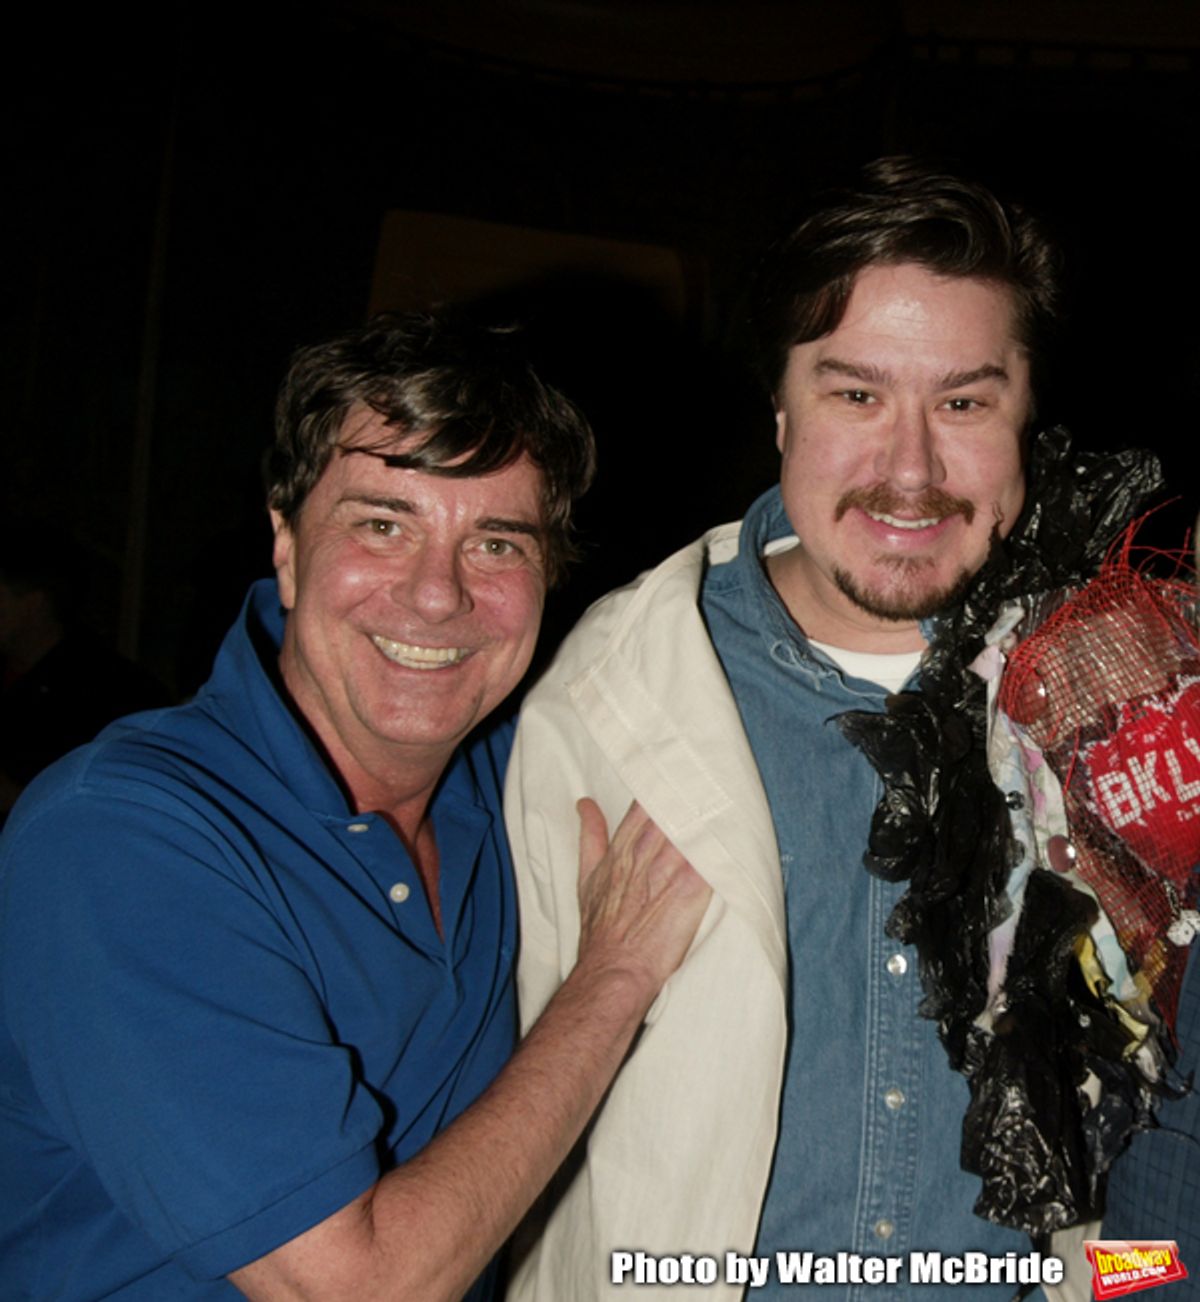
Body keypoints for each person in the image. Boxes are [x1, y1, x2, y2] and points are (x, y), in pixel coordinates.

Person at [504, 159, 1173, 1300]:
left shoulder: (1136, 698)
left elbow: (1155, 1156)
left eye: (965, 401)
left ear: (1028, 416)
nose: (909, 470)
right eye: (853, 395)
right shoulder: (609, 692)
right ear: (778, 407)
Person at [0, 313, 711, 1301]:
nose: (436, 595)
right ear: (286, 545)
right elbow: (355, 1287)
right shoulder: (121, 837)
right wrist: (616, 973)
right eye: (383, 525)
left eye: (497, 542)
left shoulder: (524, 782)